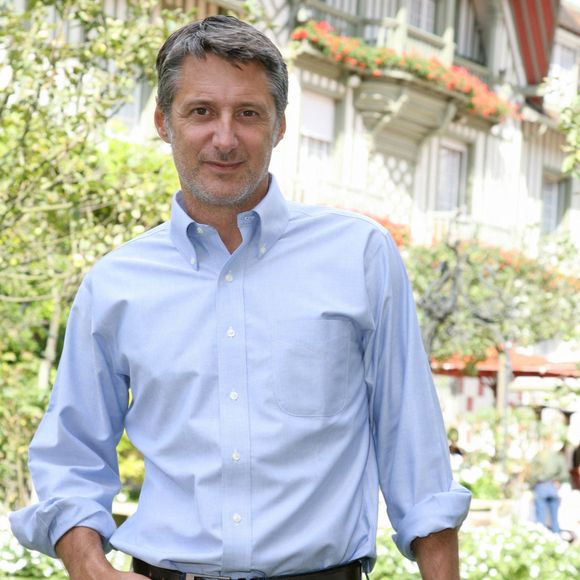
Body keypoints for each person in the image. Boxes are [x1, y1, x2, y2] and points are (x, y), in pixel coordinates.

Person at [10, 15, 471, 580]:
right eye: (201, 111)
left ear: (278, 126)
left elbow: (414, 446)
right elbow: (72, 450)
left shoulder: (360, 256)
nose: (224, 138)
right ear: (163, 121)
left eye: (248, 114)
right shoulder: (116, 283)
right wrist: (88, 567)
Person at [529, 434, 569, 534]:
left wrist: (531, 487)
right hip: (553, 486)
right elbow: (564, 474)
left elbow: (532, 474)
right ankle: (556, 538)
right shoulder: (558, 456)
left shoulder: (538, 456)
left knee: (541, 518)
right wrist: (558, 481)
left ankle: (542, 538)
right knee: (554, 517)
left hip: (541, 486)